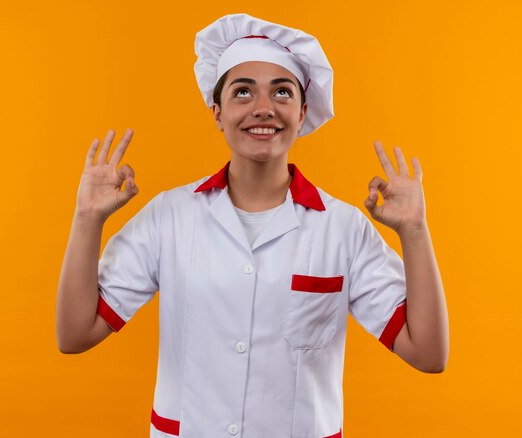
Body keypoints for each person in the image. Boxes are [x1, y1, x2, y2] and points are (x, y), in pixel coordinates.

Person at [56, 13, 449, 438]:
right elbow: (75, 334)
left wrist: (414, 232)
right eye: (243, 92)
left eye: (281, 91)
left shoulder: (342, 228)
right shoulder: (169, 216)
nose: (264, 108)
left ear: (301, 113)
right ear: (217, 112)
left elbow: (427, 353)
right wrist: (86, 221)